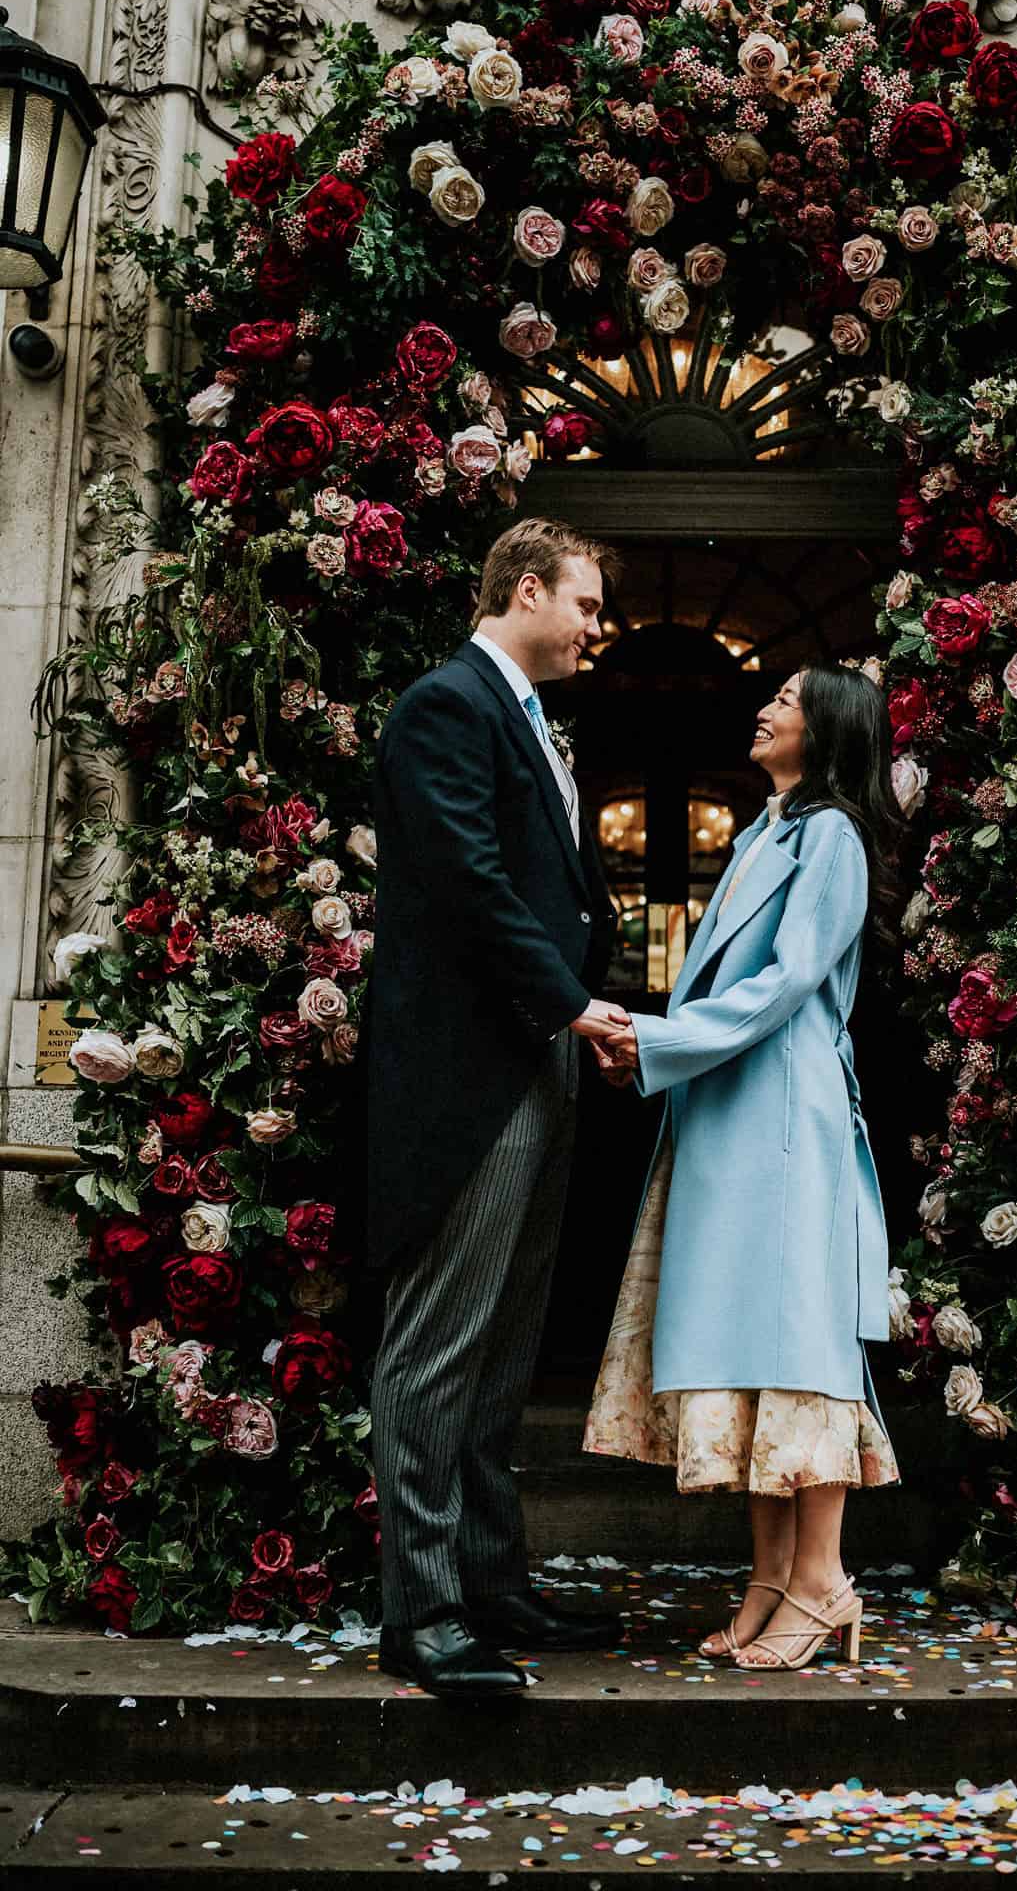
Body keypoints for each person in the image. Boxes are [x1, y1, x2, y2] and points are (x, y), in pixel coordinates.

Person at [583, 664, 903, 1671]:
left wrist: (656, 1037)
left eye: (788, 700)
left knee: (799, 1344)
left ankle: (823, 1580)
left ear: (829, 727)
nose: (763, 708)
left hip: (782, 1112)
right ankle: (773, 1577)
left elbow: (782, 985)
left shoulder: (835, 836)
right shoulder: (772, 828)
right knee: (754, 1350)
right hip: (734, 1105)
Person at [367, 518, 628, 1699]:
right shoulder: (447, 705)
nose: (594, 623)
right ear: (525, 587)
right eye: (582, 601)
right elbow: (468, 879)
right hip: (471, 1079)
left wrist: (583, 1014)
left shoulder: (529, 715)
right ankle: (422, 1614)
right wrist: (575, 1003)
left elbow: (552, 888)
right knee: (436, 1351)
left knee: (505, 1353)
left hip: (538, 1065)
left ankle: (492, 1578)